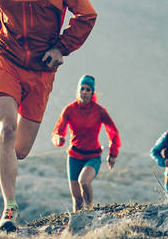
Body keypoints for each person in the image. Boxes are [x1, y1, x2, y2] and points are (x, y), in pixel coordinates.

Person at [0, 0, 97, 231]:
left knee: (19, 149)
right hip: (7, 59)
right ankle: (9, 209)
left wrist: (62, 48)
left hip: (41, 71)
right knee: (5, 130)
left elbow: (87, 15)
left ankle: (9, 179)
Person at [52, 74, 121, 212]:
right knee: (77, 200)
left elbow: (113, 131)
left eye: (88, 89)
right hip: (74, 157)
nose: (84, 92)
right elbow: (57, 132)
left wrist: (113, 153)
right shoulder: (69, 110)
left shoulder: (99, 111)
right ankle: (78, 229)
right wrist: (58, 139)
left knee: (84, 181)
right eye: (82, 88)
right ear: (78, 91)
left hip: (92, 157)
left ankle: (89, 211)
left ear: (92, 92)